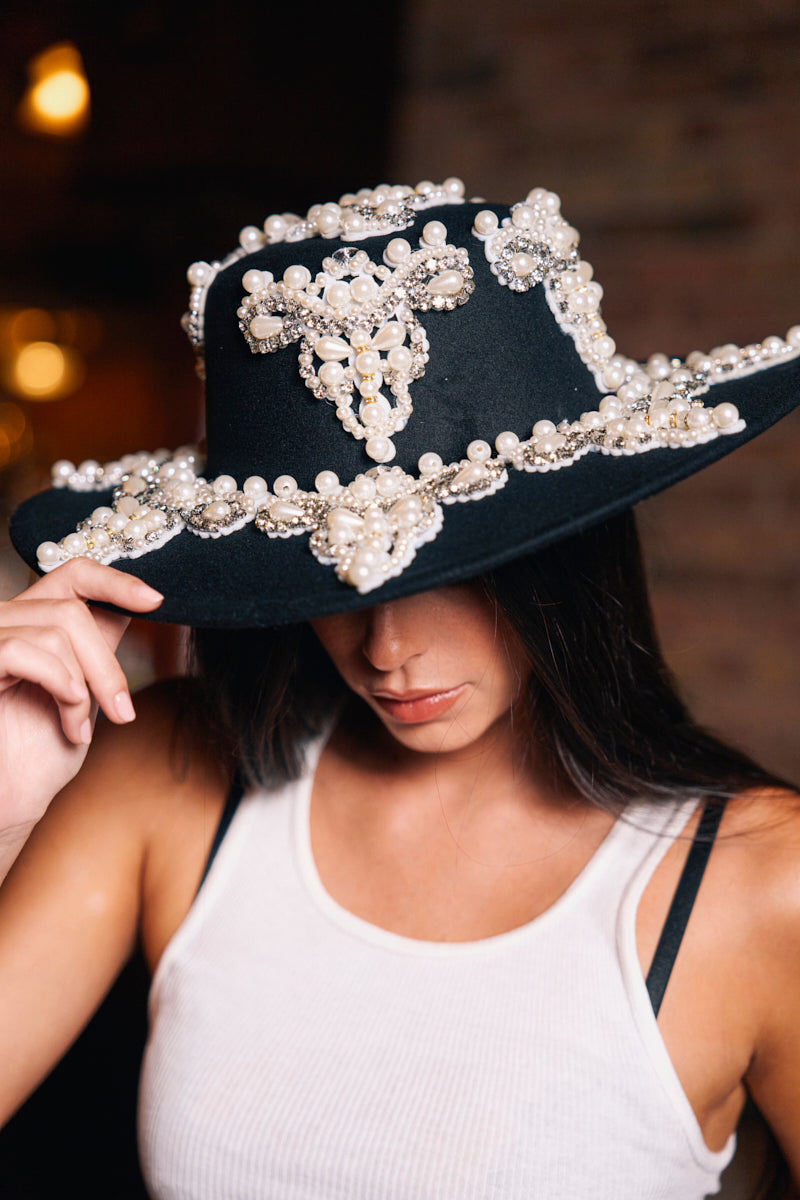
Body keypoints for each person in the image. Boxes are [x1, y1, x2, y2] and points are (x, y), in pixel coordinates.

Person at [1, 177, 799, 1198]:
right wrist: (8, 806)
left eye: (455, 569)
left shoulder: (757, 880)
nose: (387, 648)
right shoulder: (163, 774)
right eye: (329, 568)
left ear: (561, 553)